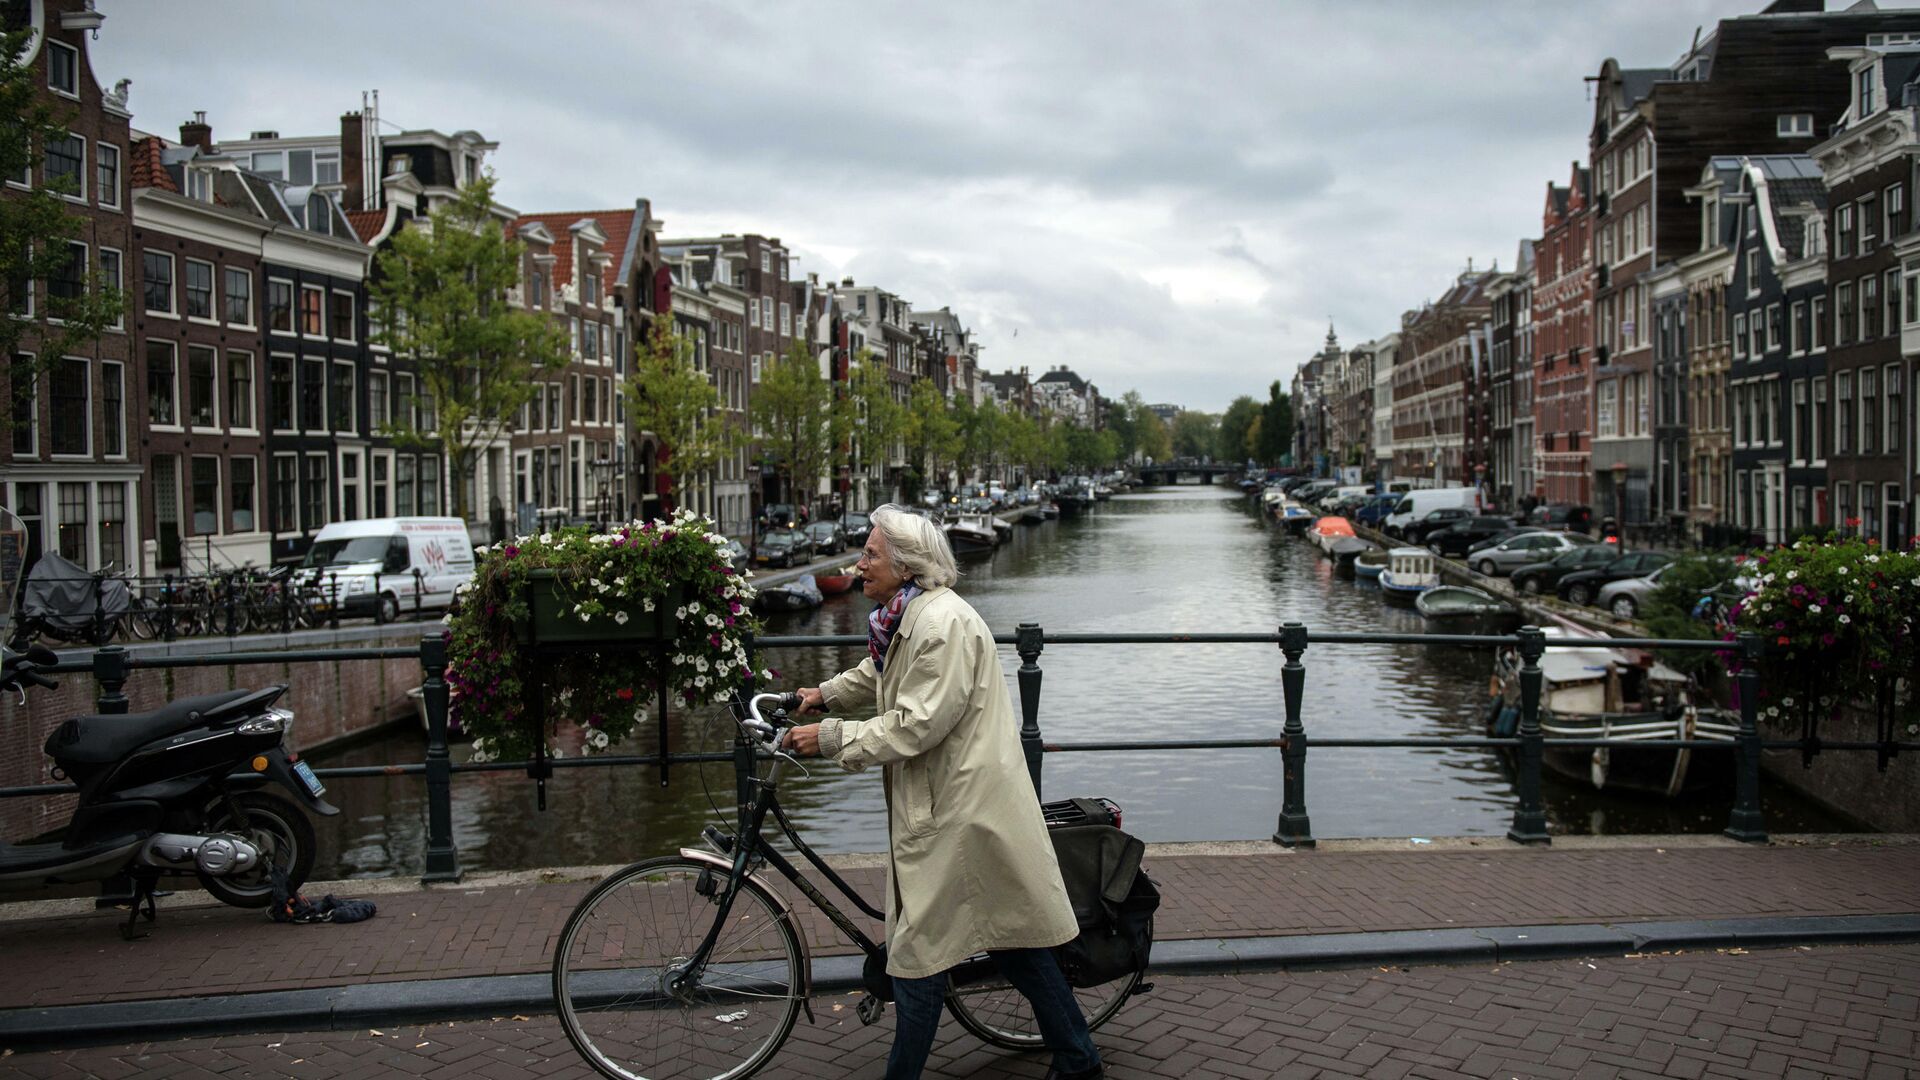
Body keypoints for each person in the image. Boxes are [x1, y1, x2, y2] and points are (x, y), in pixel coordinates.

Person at [786, 504, 1102, 1080]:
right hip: (951, 804)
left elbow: (916, 722)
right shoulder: (907, 618)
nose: (859, 566)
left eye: (870, 555)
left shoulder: (942, 624)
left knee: (916, 958)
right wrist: (825, 695)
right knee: (1015, 944)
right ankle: (1079, 1059)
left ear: (906, 566)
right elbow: (880, 673)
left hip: (960, 811)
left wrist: (832, 737)